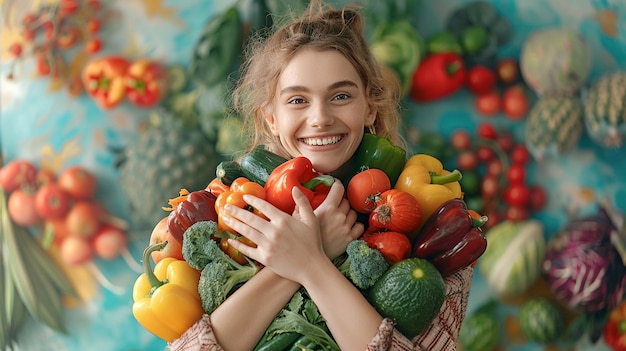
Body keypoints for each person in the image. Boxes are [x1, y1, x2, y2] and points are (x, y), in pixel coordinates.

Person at [169, 1, 473, 350]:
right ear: (271, 117)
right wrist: (304, 255)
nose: (320, 118)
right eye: (297, 100)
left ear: (369, 106)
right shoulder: (223, 210)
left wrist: (310, 264)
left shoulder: (434, 218)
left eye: (341, 96)